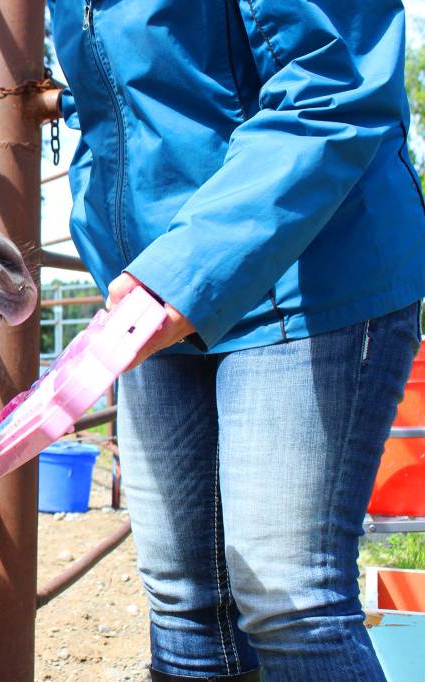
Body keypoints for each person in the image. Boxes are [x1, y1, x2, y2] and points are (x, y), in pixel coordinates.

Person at [47, 1, 425, 680]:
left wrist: (184, 271)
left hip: (313, 270)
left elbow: (333, 80)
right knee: (181, 597)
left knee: (289, 598)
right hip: (154, 282)